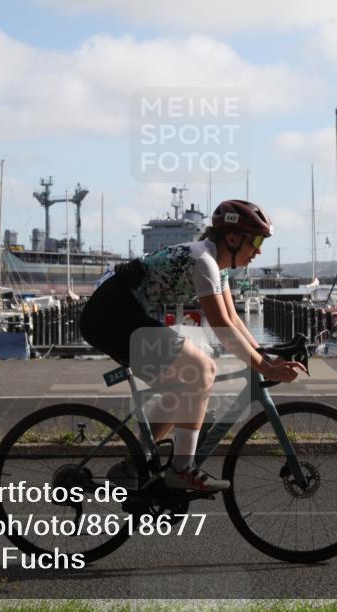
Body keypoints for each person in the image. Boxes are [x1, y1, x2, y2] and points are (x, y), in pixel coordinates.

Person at [79, 200, 306, 492]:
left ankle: (133, 466)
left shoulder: (217, 265)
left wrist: (262, 355)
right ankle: (182, 469)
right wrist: (264, 367)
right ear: (233, 238)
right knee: (201, 369)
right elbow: (222, 329)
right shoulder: (204, 262)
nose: (259, 250)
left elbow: (232, 320)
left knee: (184, 389)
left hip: (122, 312)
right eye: (257, 240)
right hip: (110, 315)